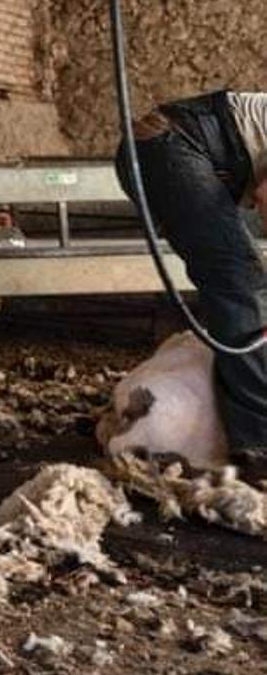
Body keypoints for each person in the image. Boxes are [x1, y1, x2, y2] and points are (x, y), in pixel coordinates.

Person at [116, 91, 267, 483]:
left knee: (239, 281)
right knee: (240, 283)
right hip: (171, 146)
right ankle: (259, 446)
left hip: (181, 149)